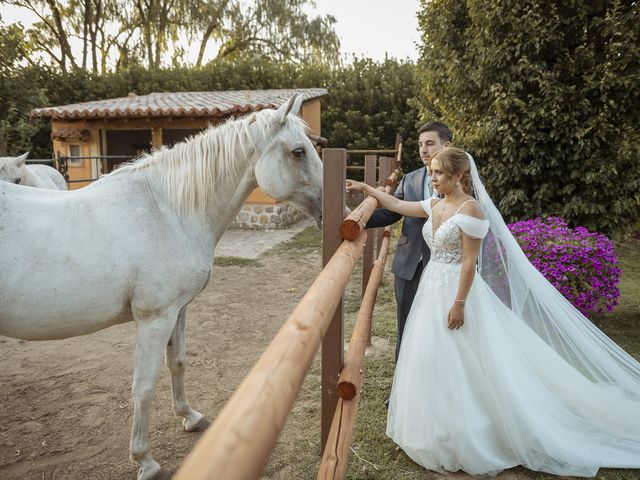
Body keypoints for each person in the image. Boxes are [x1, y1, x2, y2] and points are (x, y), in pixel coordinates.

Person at [346, 147, 640, 476]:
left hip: (457, 292)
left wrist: (458, 304)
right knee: (430, 357)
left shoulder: (470, 209)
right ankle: (436, 427)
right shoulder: (437, 203)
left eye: (439, 173)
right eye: (431, 173)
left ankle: (474, 431)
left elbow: (470, 261)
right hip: (431, 291)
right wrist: (369, 190)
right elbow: (399, 205)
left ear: (458, 175)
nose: (433, 178)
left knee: (464, 359)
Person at [366, 121, 452, 363]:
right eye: (420, 145)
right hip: (408, 265)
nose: (423, 150)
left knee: (441, 326)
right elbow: (392, 212)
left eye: (430, 143)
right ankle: (400, 388)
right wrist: (358, 220)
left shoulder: (462, 180)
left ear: (447, 145)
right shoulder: (410, 179)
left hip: (445, 268)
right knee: (406, 324)